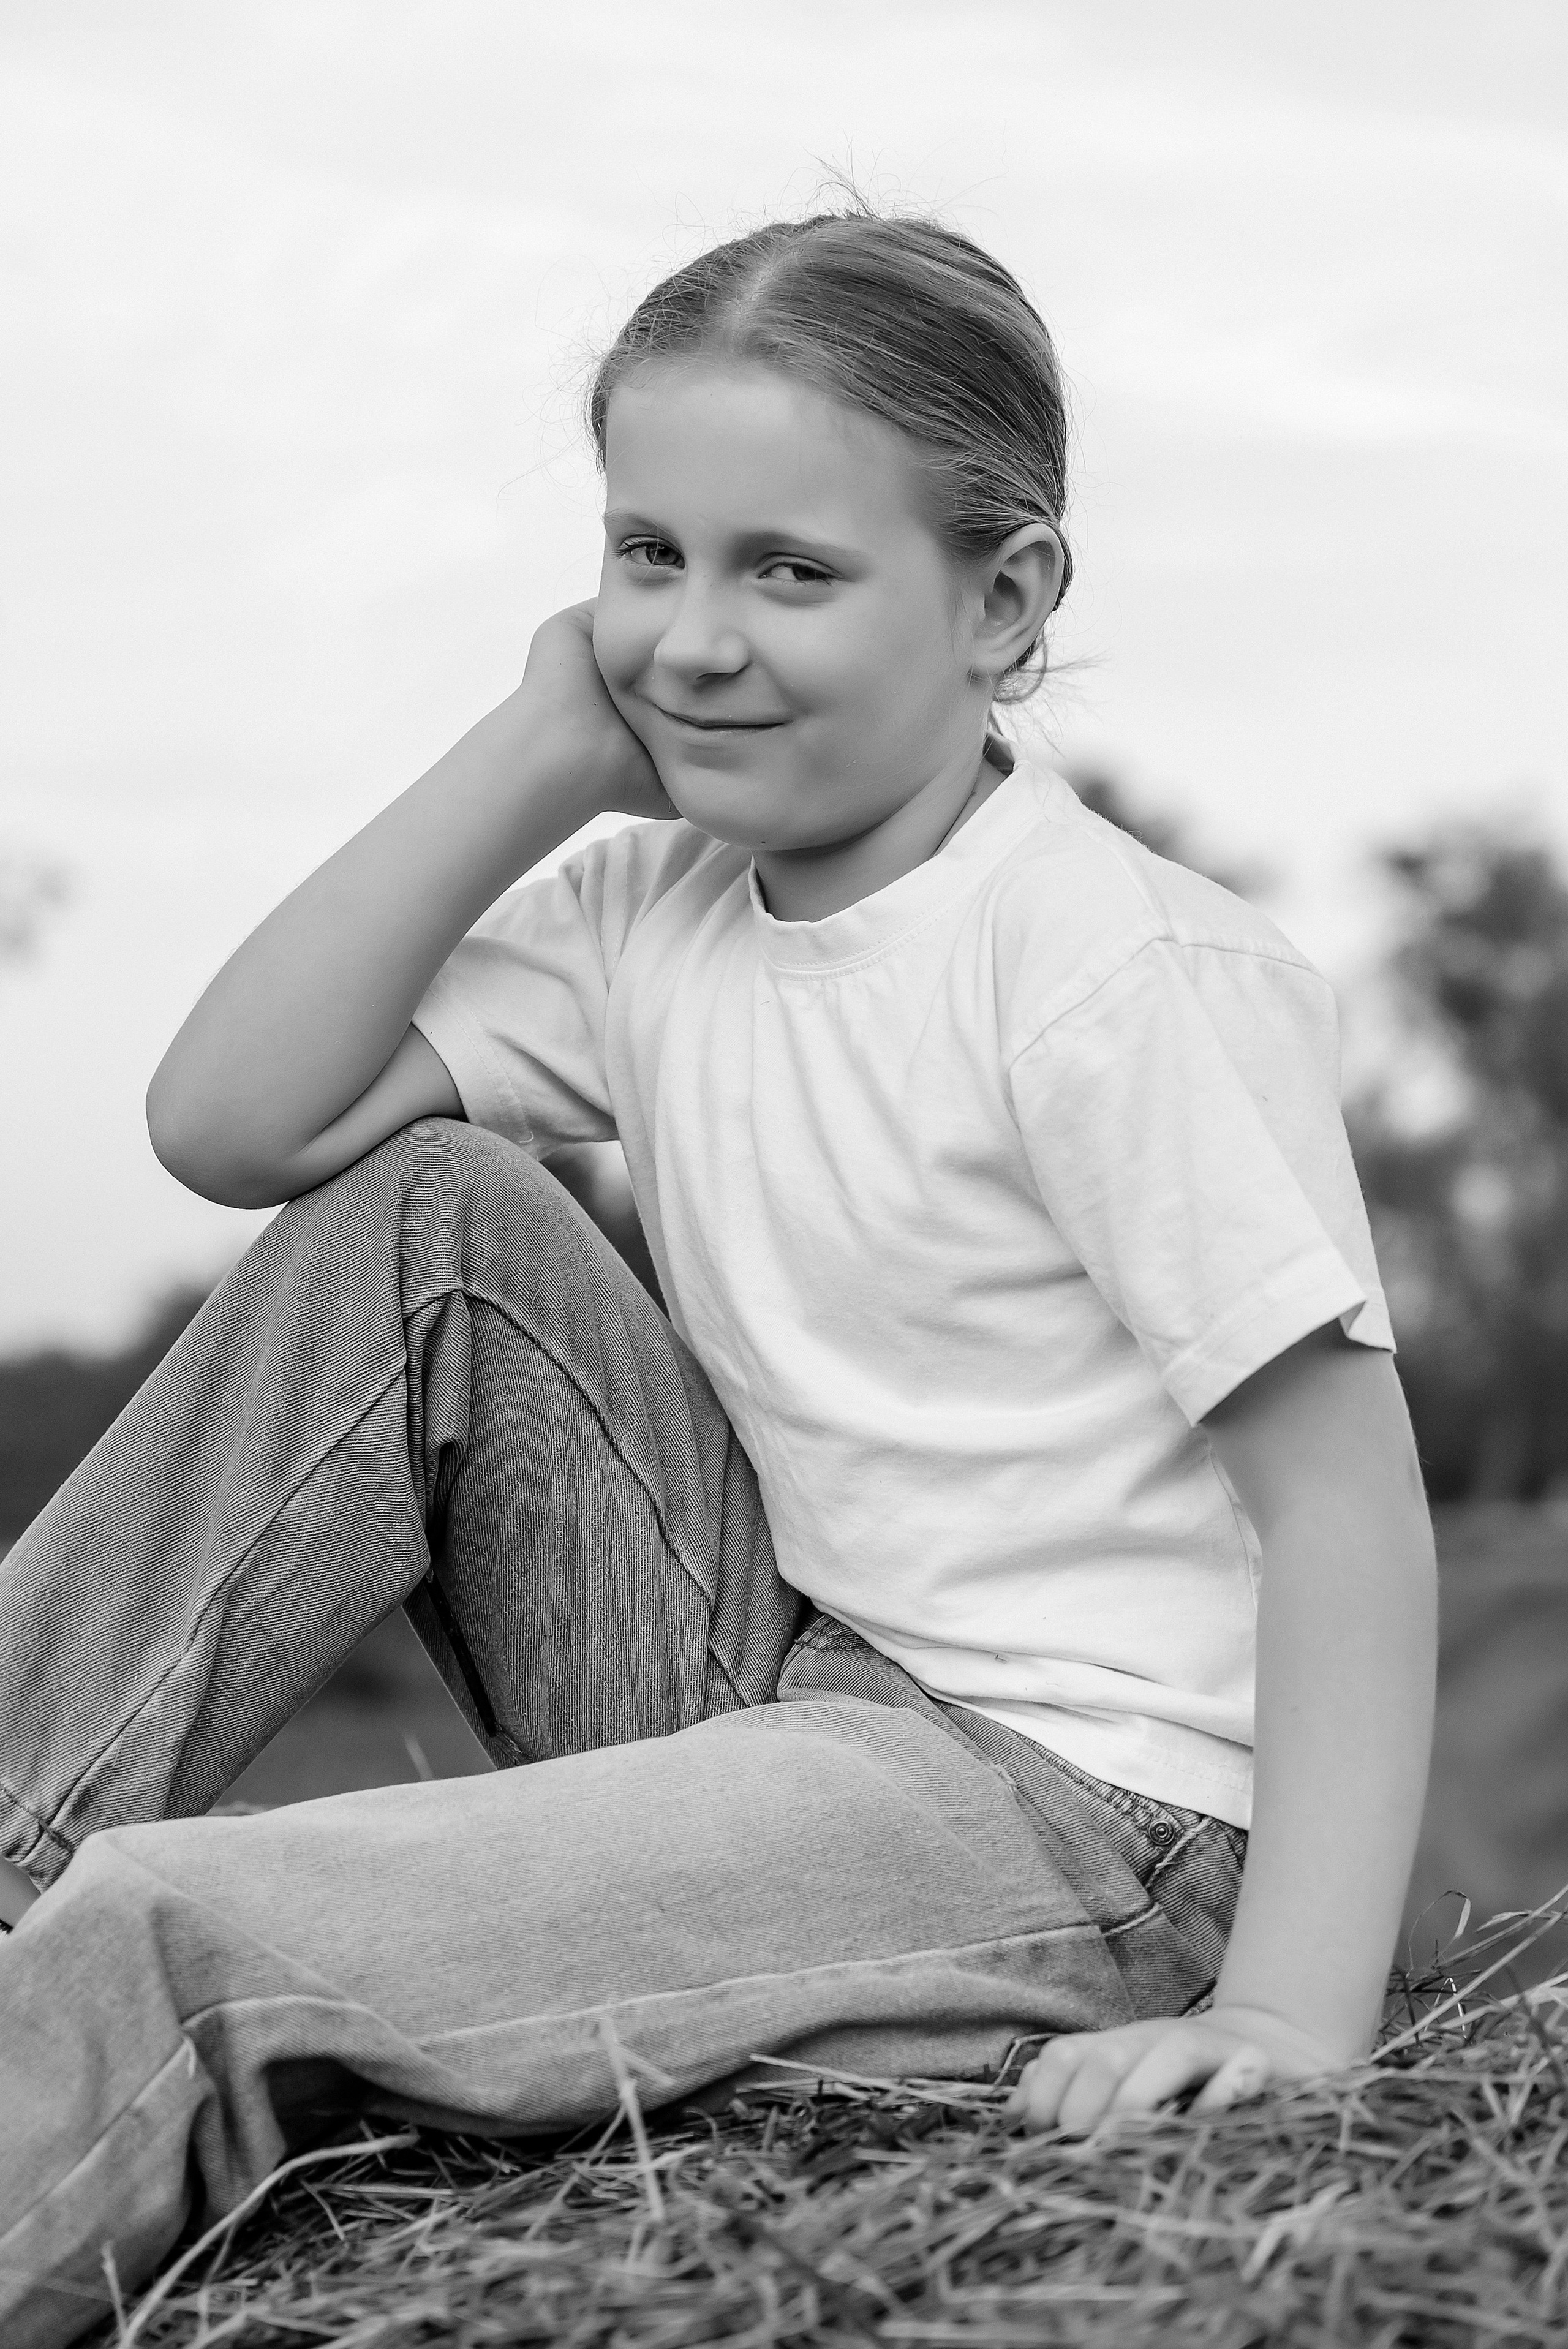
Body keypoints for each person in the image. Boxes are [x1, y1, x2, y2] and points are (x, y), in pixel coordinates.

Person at [0, 209, 1436, 2347]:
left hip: (1092, 1813)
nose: (690, 639)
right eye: (646, 555)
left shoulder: (1113, 975)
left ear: (1007, 601)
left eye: (792, 569)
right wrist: (529, 756)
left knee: (178, 1929)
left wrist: (1294, 2021)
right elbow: (232, 1123)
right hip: (799, 1685)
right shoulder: (649, 902)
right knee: (426, 1215)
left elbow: (1351, 1514)